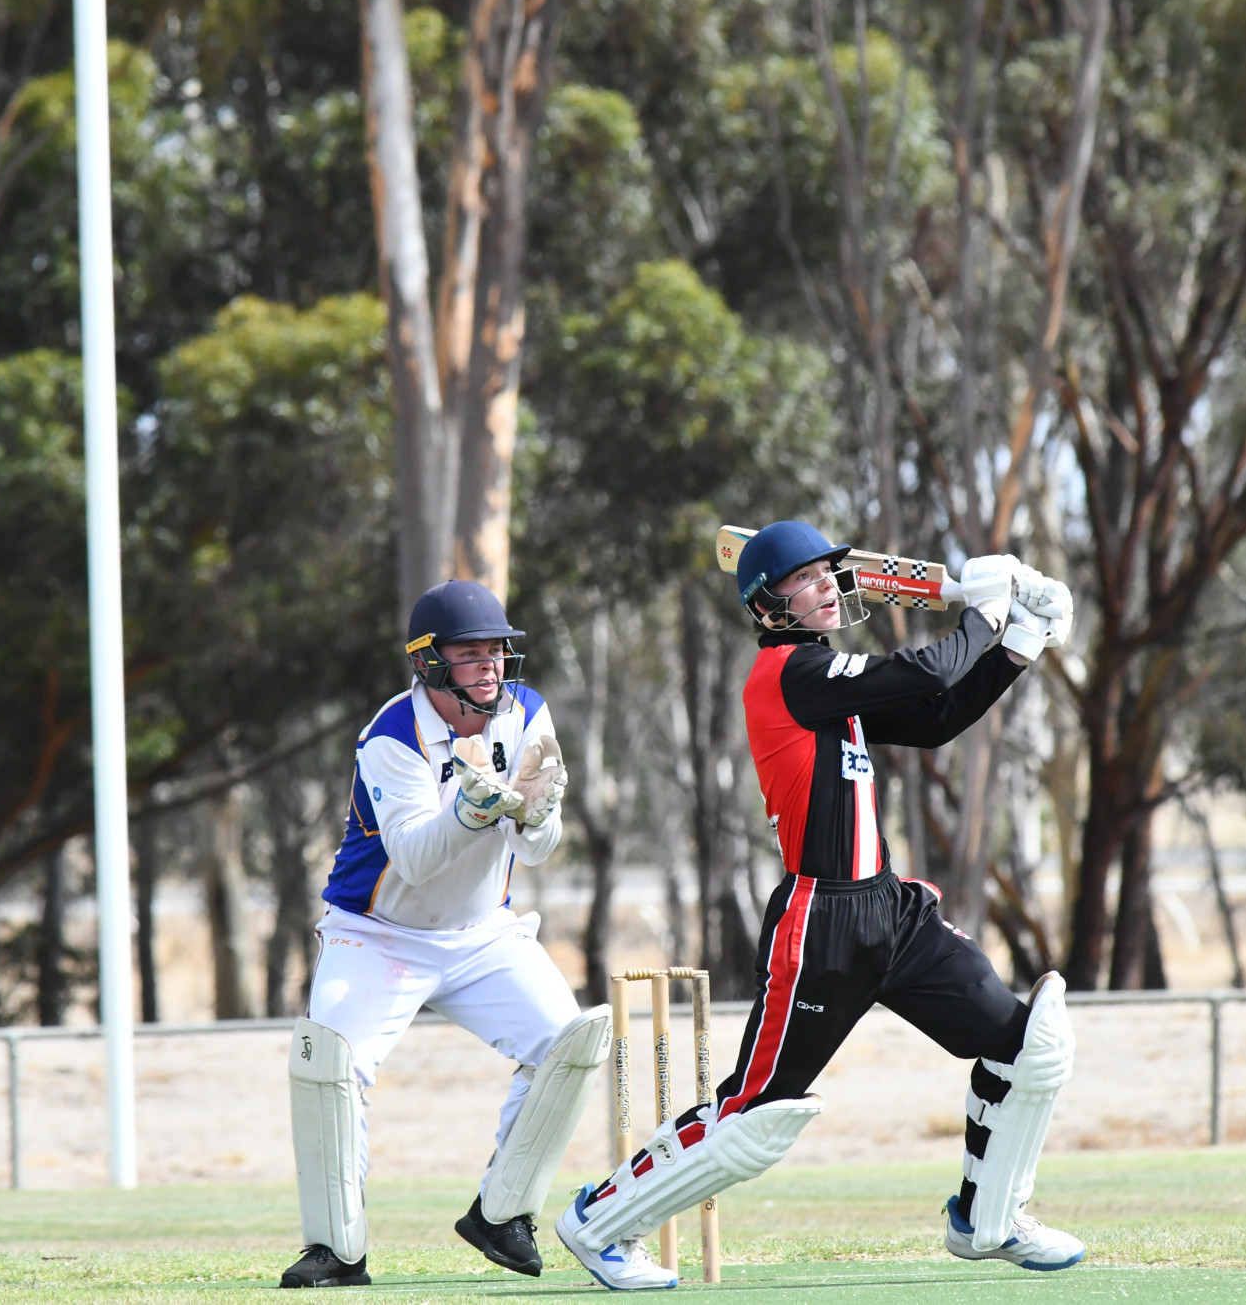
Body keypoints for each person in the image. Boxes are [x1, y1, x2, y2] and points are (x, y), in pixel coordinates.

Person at [554, 521, 1085, 1290]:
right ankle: (599, 1221)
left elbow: (938, 716)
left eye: (830, 574)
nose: (829, 587)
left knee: (1027, 1044)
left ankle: (988, 1219)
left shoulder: (835, 685)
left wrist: (1016, 645)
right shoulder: (788, 674)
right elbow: (927, 672)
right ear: (769, 605)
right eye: (806, 579)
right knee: (758, 1112)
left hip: (893, 913)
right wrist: (984, 609)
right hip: (821, 925)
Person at [282, 580, 614, 1288]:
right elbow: (414, 855)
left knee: (569, 1042)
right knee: (330, 1059)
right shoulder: (390, 737)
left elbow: (536, 848)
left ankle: (503, 1212)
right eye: (470, 653)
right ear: (429, 662)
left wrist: (535, 813)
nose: (490, 664)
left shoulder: (528, 711)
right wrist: (469, 809)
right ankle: (335, 1250)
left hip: (480, 933)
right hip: (375, 933)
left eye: (496, 649)